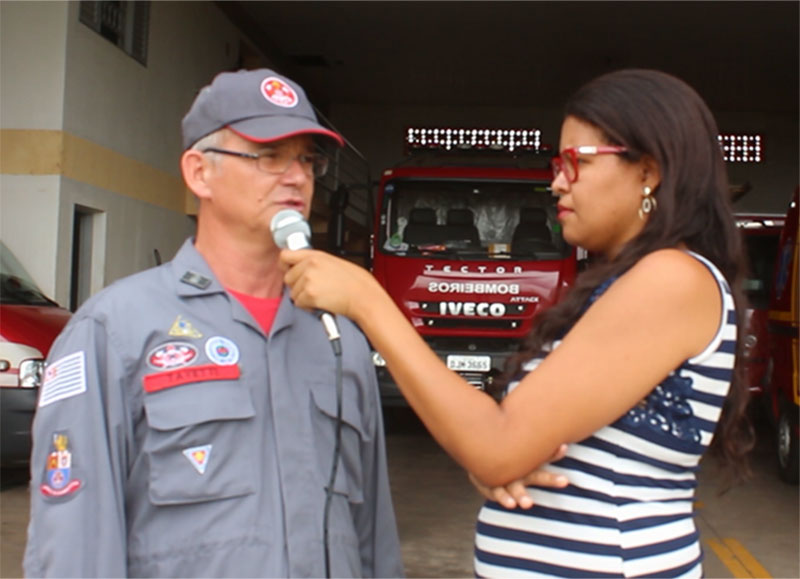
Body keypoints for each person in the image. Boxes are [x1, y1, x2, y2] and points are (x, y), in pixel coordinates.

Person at [280, 69, 753, 577]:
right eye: (557, 163)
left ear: (649, 171)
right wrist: (499, 460)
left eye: (575, 162)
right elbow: (508, 446)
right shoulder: (623, 284)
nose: (557, 183)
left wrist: (369, 302)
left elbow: (497, 446)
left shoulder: (669, 279)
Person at [24, 68, 404, 578]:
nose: (296, 177)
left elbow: (373, 539)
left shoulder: (340, 339)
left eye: (308, 160)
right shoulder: (114, 332)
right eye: (269, 156)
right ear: (199, 172)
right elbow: (75, 547)